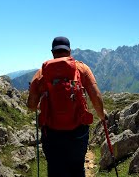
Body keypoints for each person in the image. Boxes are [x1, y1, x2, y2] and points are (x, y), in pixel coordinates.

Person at [27, 36, 106, 177]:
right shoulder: (82, 68)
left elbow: (31, 106)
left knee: (55, 169)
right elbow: (96, 97)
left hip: (51, 133)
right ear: (69, 51)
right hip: (78, 131)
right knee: (77, 168)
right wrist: (102, 116)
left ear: (53, 52)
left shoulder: (41, 73)